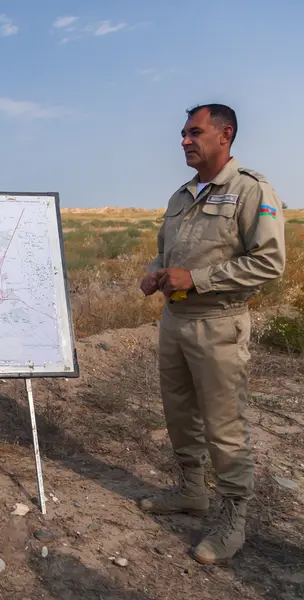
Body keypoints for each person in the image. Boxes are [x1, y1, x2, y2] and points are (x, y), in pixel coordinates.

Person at [139, 103, 286, 565]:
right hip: (174, 322)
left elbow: (268, 262)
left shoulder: (251, 190)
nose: (184, 140)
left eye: (194, 132)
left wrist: (197, 279)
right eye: (183, 133)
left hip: (218, 322)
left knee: (224, 425)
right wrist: (153, 273)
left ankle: (231, 517)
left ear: (226, 135)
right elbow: (164, 255)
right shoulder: (181, 195)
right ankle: (190, 491)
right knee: (179, 412)